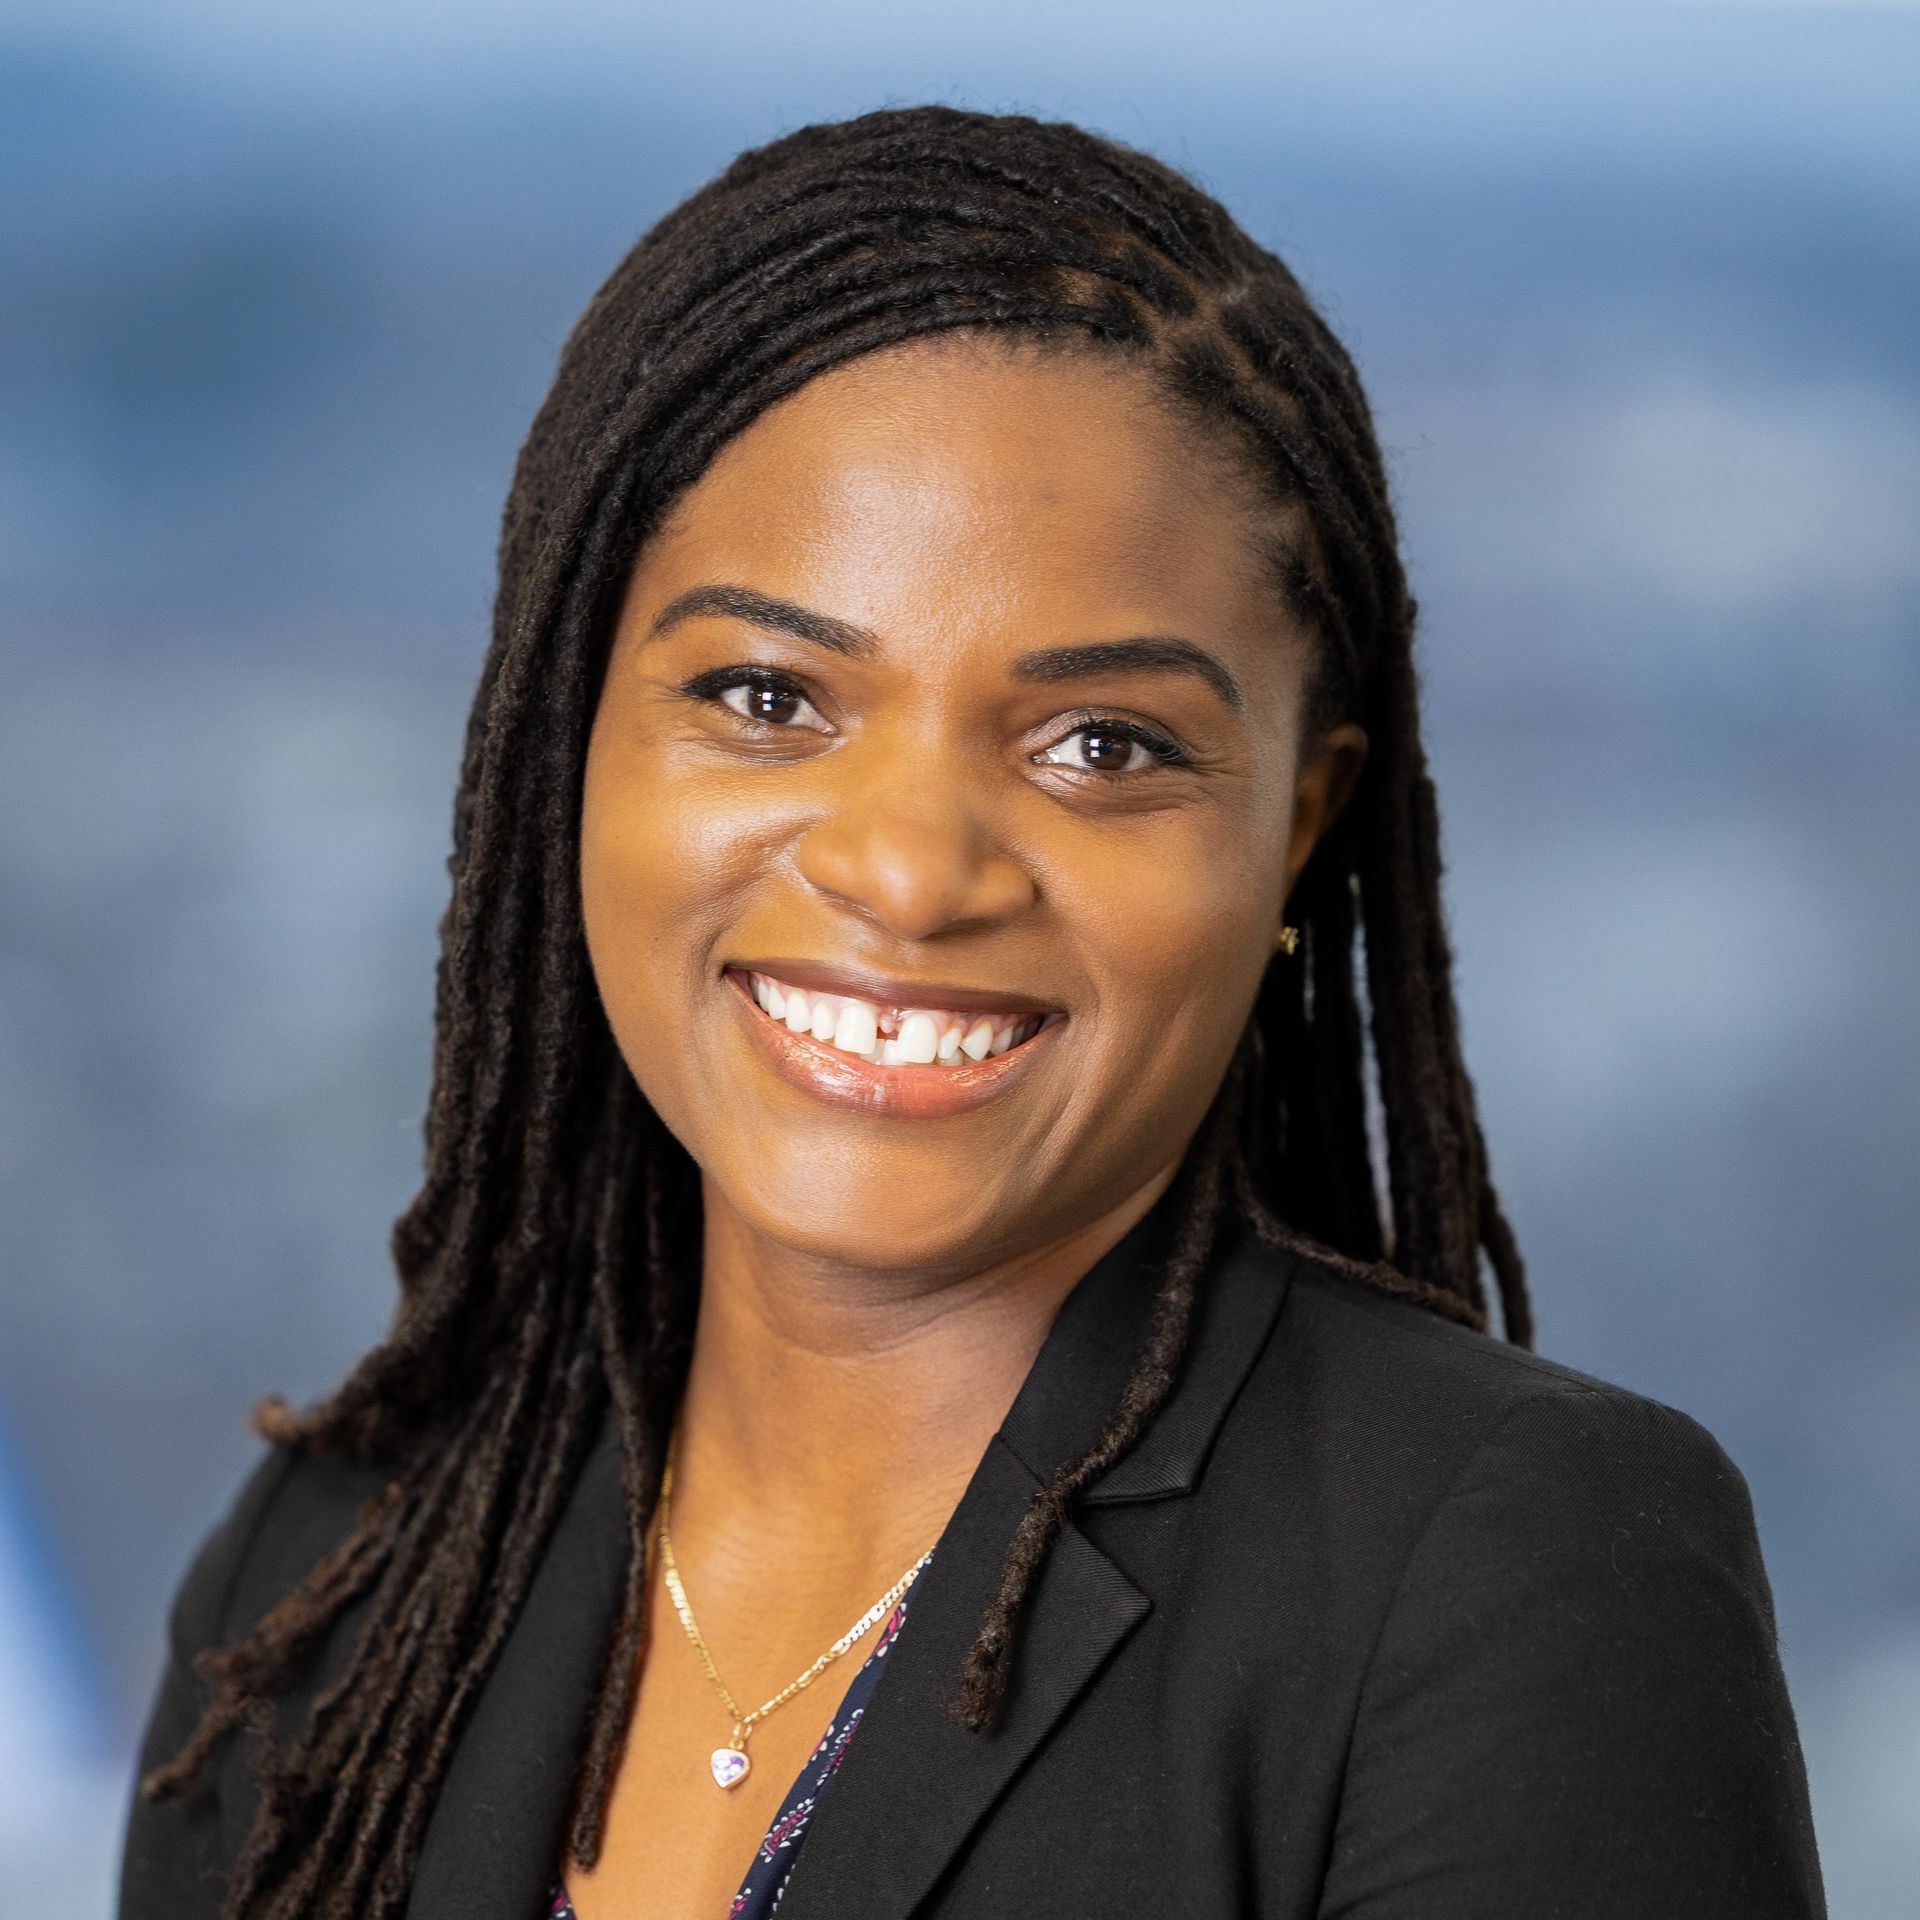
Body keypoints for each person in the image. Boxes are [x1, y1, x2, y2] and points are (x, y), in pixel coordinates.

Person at [116, 105, 1826, 1920]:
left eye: (1104, 744)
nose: (914, 872)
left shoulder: (1517, 1580)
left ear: (1297, 827)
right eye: (771, 696)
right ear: (571, 737)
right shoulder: (331, 1586)